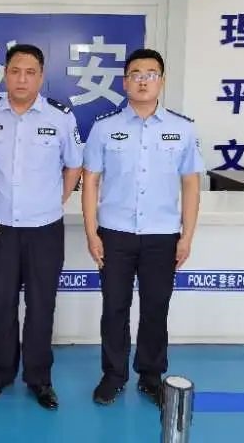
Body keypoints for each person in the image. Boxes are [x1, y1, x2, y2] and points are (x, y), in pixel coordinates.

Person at [82, 48, 203, 407]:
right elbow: (90, 182)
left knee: (155, 308)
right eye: (136, 74)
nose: (143, 80)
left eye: (151, 74)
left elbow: (191, 184)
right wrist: (91, 233)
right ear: (125, 82)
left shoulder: (182, 129)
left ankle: (151, 376)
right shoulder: (105, 127)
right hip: (115, 233)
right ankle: (113, 375)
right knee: (114, 308)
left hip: (162, 235)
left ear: (161, 82)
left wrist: (187, 236)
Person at [0, 43, 83, 411]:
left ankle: (39, 379)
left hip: (44, 231)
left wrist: (57, 199)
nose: (22, 79)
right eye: (15, 71)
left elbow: (74, 165)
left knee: (41, 307)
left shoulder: (60, 118)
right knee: (1, 305)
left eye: (30, 72)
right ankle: (0, 374)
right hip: (1, 230)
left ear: (41, 76)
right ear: (5, 74)